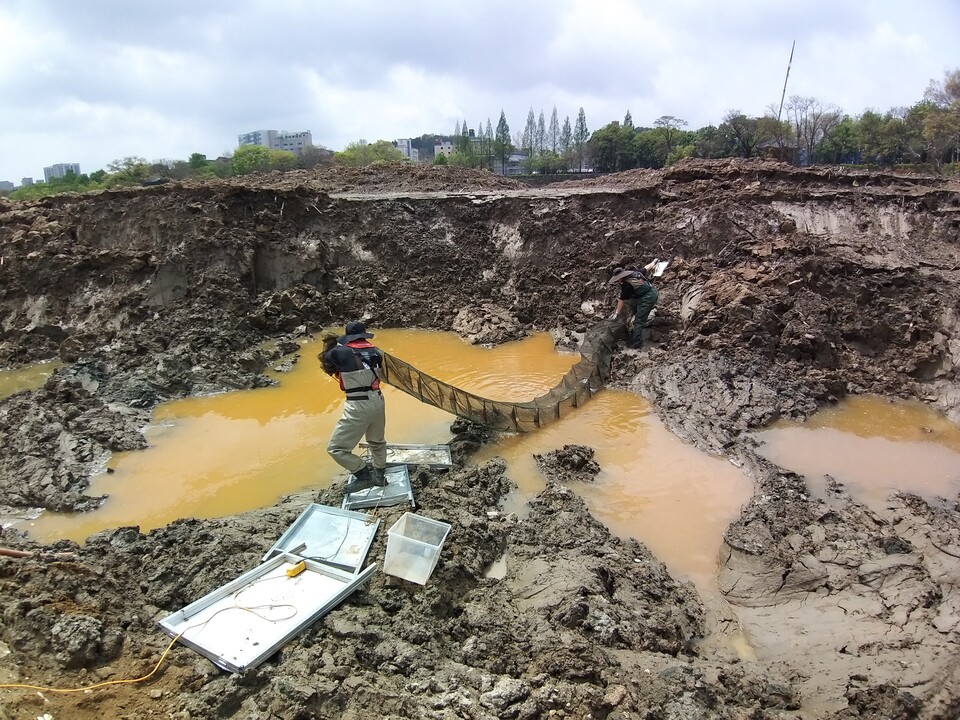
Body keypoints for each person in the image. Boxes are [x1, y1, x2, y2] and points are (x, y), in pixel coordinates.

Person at [321, 321, 388, 493]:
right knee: (377, 442)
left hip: (358, 404)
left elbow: (326, 359)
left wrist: (333, 342)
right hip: (378, 401)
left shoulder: (340, 351)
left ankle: (364, 475)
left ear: (349, 337)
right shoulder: (376, 352)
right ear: (364, 336)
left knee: (336, 448)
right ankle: (380, 477)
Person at [609, 261, 659, 349]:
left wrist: (616, 313)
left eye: (617, 279)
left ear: (621, 277)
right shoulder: (636, 273)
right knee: (633, 304)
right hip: (651, 292)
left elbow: (621, 300)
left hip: (647, 297)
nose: (617, 281)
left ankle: (636, 341)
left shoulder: (626, 285)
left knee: (639, 320)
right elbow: (647, 267)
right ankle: (633, 331)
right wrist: (654, 262)